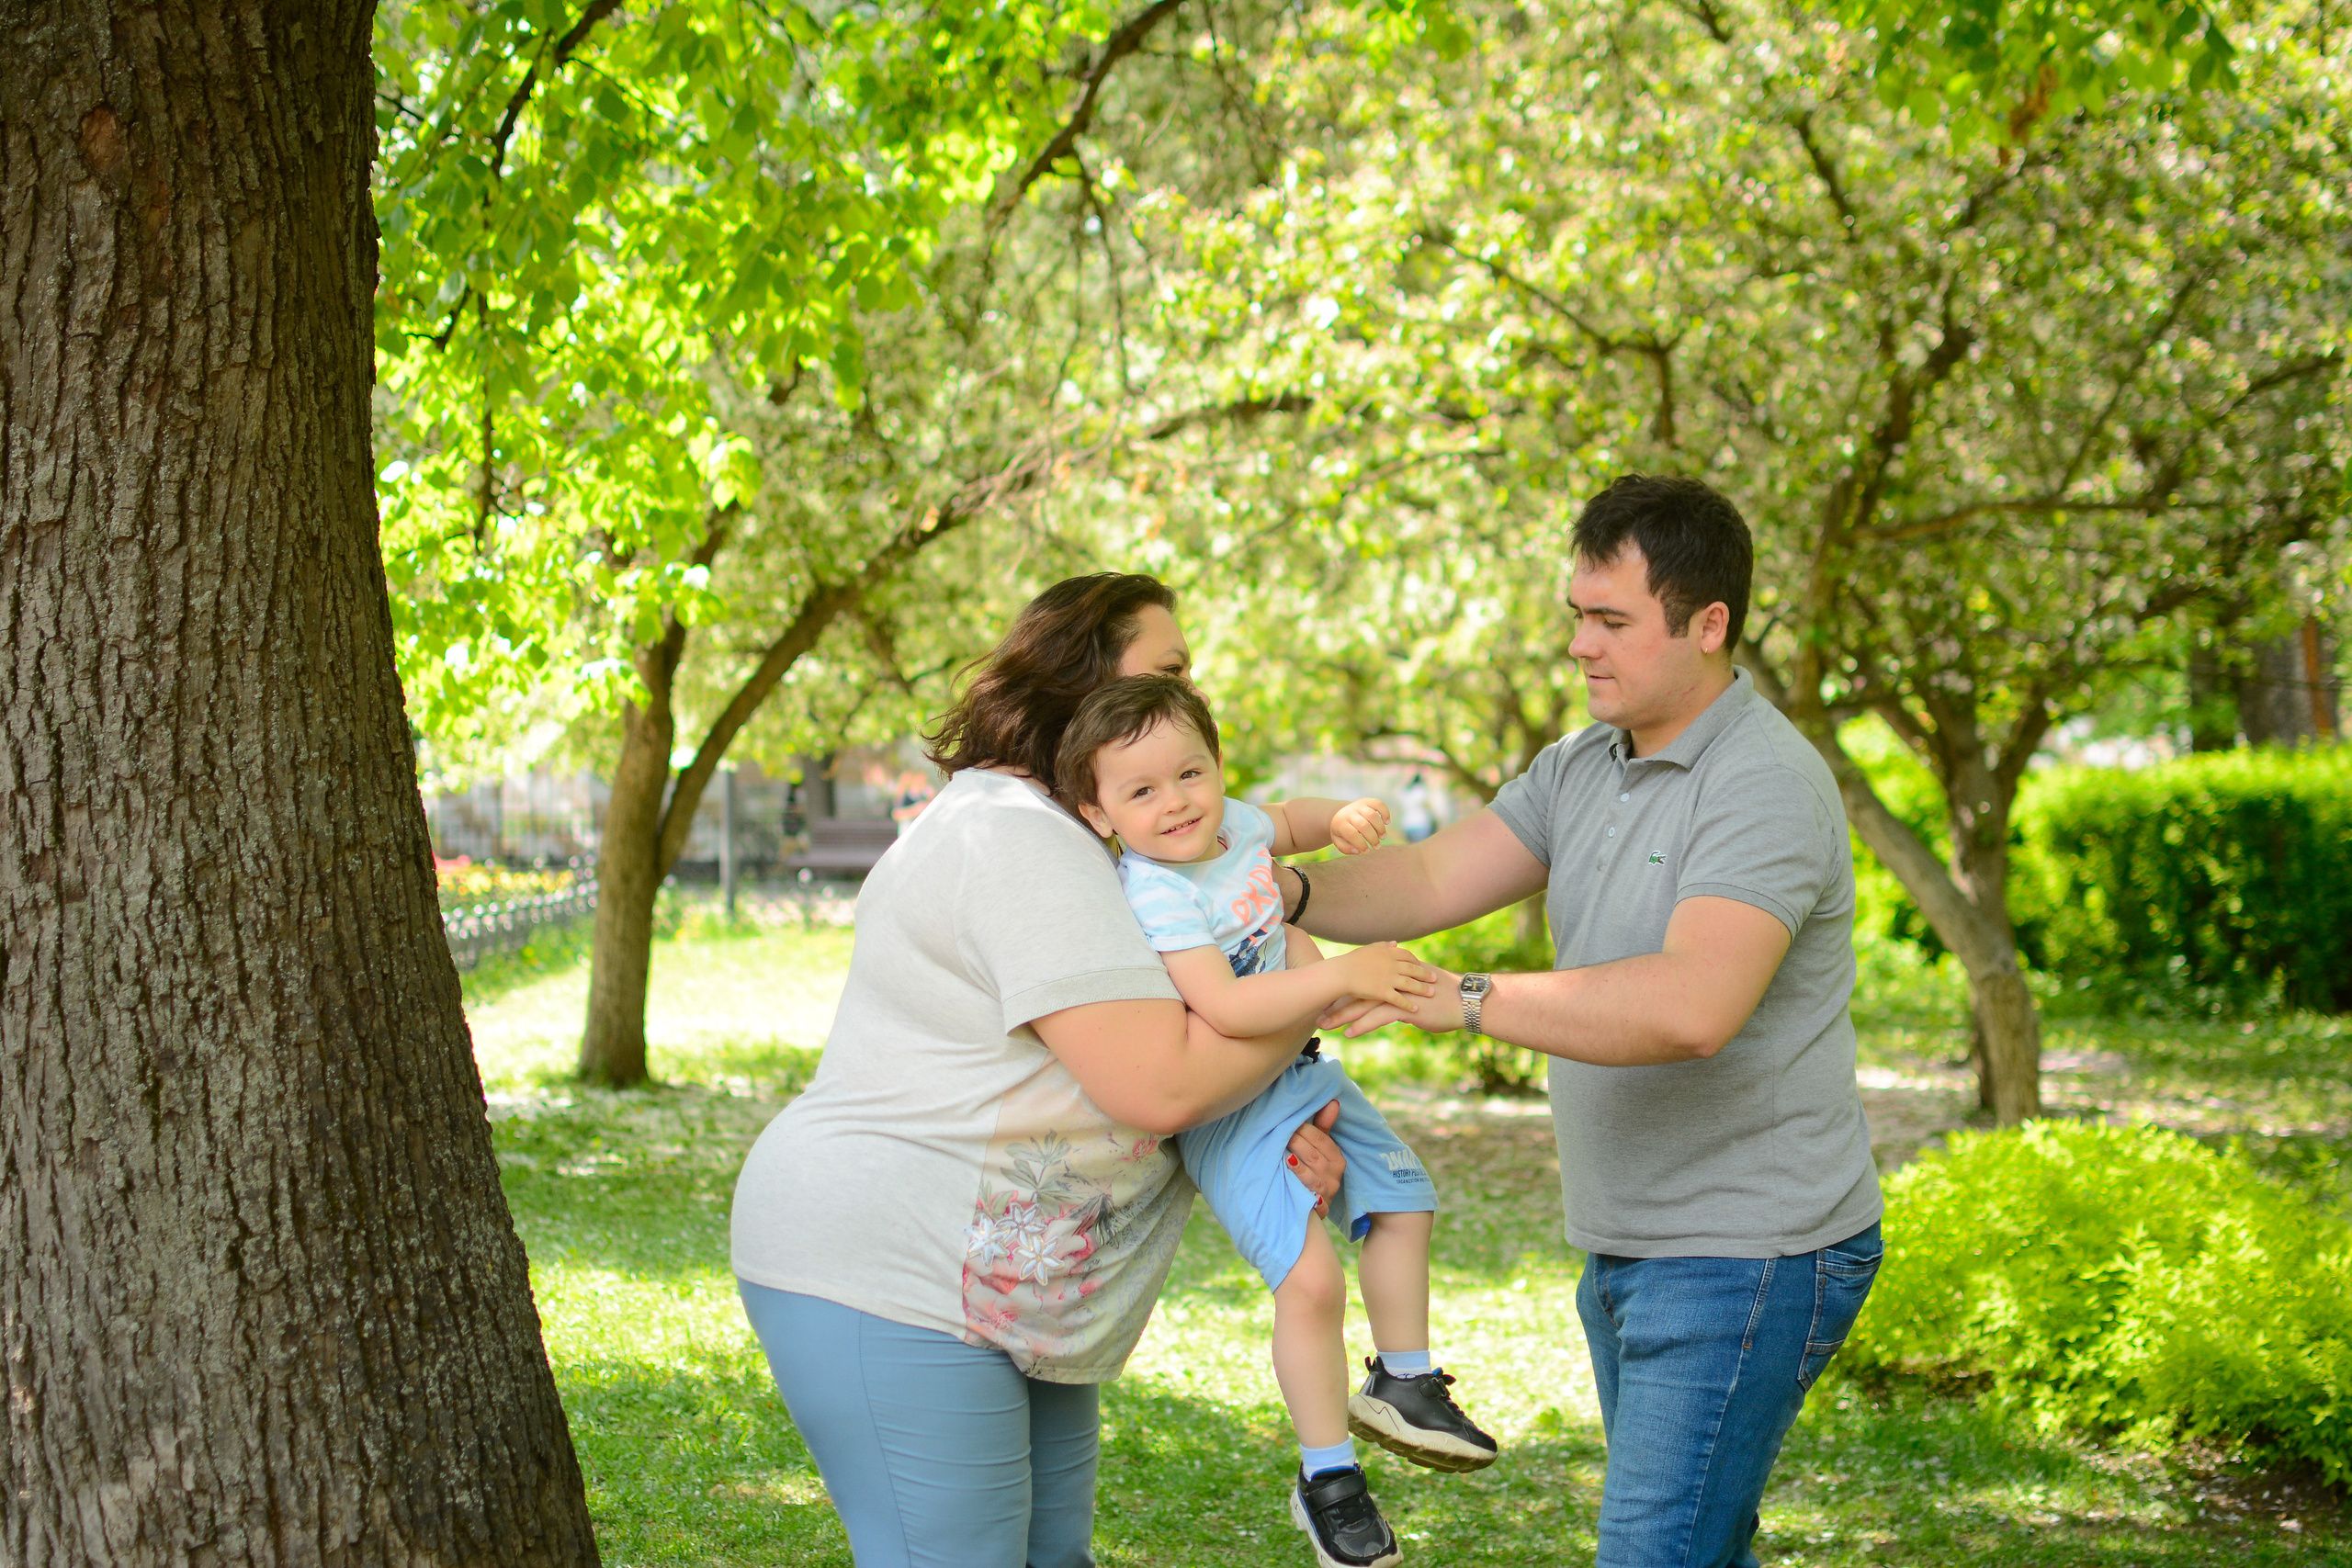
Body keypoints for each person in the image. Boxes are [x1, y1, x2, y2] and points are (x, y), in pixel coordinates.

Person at [1289, 475, 1884, 1568]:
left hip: (1748, 1250)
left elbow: (1691, 1006)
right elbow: (1423, 882)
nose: (1580, 646)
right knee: (1702, 1543)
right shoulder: (1579, 766)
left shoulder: (1761, 783)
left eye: (1610, 620)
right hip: (1630, 1242)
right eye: (1576, 615)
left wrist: (1460, 999)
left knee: (1655, 1550)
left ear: (1707, 625)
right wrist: (1275, 894)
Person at [729, 574, 1350, 1568]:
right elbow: (1163, 1080)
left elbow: (1204, 1044)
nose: (1194, 700)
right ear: (1083, 680)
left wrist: (1277, 1121)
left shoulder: (1111, 844)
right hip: (894, 1262)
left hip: (1015, 1286)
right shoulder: (1015, 836)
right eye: (1171, 671)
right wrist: (1309, 988)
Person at [1056, 675, 1496, 1568]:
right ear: (1099, 811)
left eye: (1191, 774)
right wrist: (1340, 975)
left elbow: (1284, 822)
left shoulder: (1232, 828)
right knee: (1309, 1284)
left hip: (1299, 1069)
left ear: (1218, 768)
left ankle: (1405, 1379)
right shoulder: (1155, 894)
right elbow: (1221, 1005)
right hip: (1229, 1105)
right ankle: (1327, 1477)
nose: (1176, 803)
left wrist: (1342, 817)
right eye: (1141, 792)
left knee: (1407, 1199)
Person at [1396, 773, 1436, 843]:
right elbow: (1428, 806)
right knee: (1422, 849)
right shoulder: (1421, 790)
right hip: (1421, 823)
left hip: (1407, 824)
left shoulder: (1406, 792)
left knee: (1411, 848)